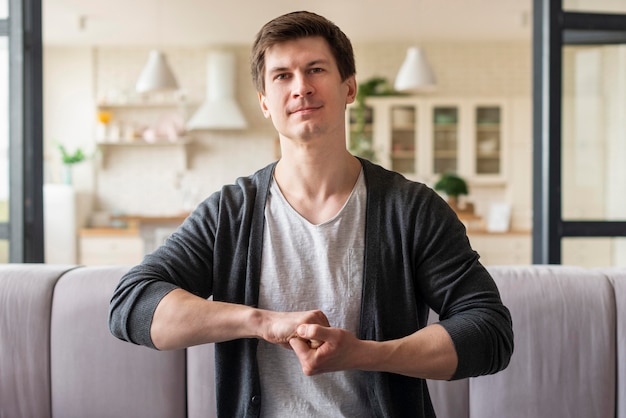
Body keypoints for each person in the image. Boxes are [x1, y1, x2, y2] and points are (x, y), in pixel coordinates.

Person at [109, 10, 514, 417]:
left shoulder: (411, 209)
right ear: (265, 103)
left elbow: (490, 332)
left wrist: (366, 354)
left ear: (349, 87)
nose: (301, 87)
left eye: (315, 69)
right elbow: (132, 304)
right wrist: (261, 322)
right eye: (282, 75)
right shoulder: (230, 212)